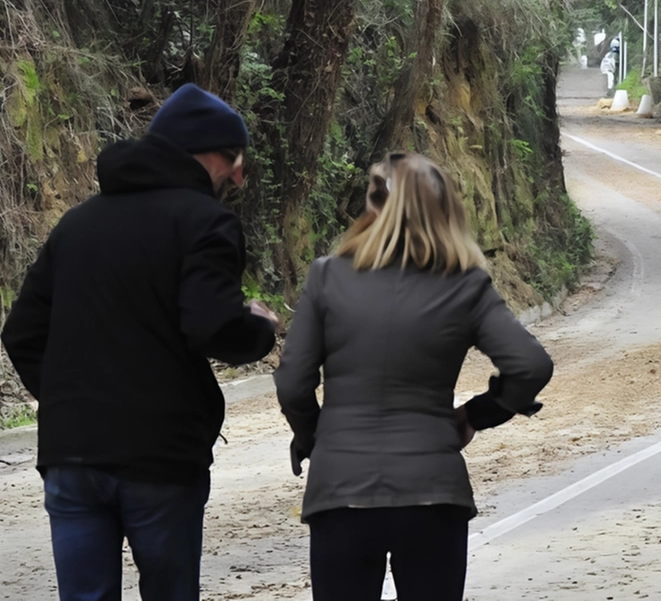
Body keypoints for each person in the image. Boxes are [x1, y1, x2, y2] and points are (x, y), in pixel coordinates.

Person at [0, 83, 280, 601]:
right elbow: (212, 325)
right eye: (234, 158)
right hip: (162, 456)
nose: (240, 175)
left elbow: (21, 332)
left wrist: (70, 402)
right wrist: (259, 325)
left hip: (72, 455)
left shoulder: (76, 225)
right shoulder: (206, 222)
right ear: (199, 154)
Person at [274, 152, 553, 601]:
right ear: (444, 212)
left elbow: (291, 383)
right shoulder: (465, 284)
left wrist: (314, 438)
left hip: (340, 491)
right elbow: (531, 366)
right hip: (433, 492)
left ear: (375, 207)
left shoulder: (327, 277)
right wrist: (476, 414)